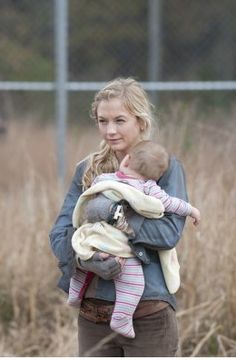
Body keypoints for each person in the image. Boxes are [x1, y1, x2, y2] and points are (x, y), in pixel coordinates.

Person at [49, 77, 190, 357]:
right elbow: (59, 235)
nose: (110, 130)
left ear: (141, 121)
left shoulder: (165, 167)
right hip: (93, 319)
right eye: (103, 121)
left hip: (149, 317)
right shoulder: (88, 170)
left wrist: (115, 217)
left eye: (120, 120)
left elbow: (168, 234)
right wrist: (84, 260)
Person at [67, 140, 201, 339]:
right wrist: (191, 210)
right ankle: (121, 317)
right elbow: (171, 204)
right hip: (119, 245)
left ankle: (74, 293)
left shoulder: (104, 178)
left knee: (86, 262)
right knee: (133, 282)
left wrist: (105, 210)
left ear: (127, 160)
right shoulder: (148, 188)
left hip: (93, 236)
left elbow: (90, 202)